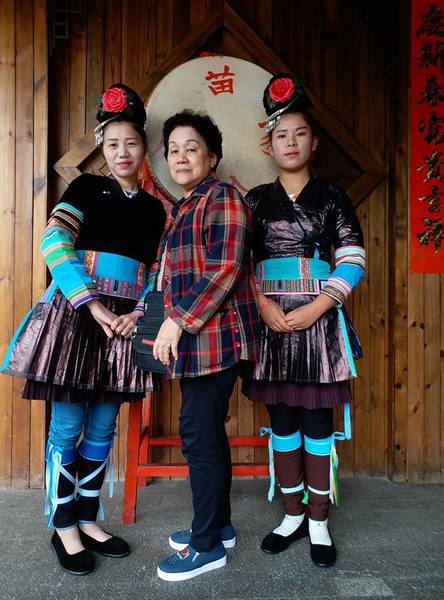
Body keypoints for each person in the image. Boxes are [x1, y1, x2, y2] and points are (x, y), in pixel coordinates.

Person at [1, 83, 166, 575]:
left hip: (124, 326)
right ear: (101, 147)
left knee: (103, 426)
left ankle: (89, 517)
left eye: (130, 142)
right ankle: (64, 524)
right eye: (112, 143)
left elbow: (156, 271)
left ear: (145, 147)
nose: (122, 152)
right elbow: (54, 241)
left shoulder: (155, 209)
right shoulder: (85, 189)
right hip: (77, 318)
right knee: (68, 425)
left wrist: (140, 313)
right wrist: (92, 303)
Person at [242, 74, 366, 568]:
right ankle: (291, 515)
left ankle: (318, 519)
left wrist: (319, 306)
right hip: (271, 323)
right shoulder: (255, 200)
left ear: (314, 143)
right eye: (281, 135)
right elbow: (241, 263)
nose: (290, 142)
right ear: (268, 145)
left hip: (320, 322)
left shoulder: (333, 197)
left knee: (317, 422)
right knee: (282, 421)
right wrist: (262, 306)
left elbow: (352, 257)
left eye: (300, 134)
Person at [151, 110, 259, 581]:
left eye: (191, 148)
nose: (180, 157)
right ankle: (220, 527)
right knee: (206, 432)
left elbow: (225, 268)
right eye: (173, 150)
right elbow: (168, 273)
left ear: (212, 157)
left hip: (217, 338)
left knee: (197, 433)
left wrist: (177, 321)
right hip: (197, 340)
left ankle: (206, 546)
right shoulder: (184, 206)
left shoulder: (224, 197)